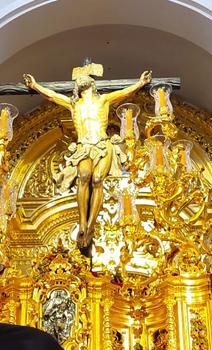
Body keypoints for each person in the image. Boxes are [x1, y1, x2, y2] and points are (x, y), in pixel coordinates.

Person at [24, 64, 152, 250]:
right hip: (83, 146)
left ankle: (91, 225)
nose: (81, 79)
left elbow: (125, 93)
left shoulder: (104, 100)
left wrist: (141, 83)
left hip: (102, 143)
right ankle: (82, 222)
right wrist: (35, 86)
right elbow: (52, 96)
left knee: (98, 179)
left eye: (85, 79)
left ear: (93, 84)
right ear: (77, 88)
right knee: (84, 176)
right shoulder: (73, 104)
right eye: (79, 81)